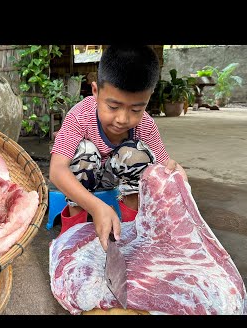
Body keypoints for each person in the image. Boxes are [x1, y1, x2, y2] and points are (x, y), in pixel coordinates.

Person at [49, 45, 187, 251]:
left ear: (148, 99)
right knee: (84, 152)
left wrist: (177, 174)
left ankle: (129, 230)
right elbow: (57, 170)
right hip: (82, 183)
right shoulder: (80, 115)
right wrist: (96, 207)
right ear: (95, 92)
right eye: (113, 107)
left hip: (115, 181)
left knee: (137, 155)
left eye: (136, 109)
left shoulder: (146, 125)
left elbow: (163, 164)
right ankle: (74, 231)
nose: (123, 119)